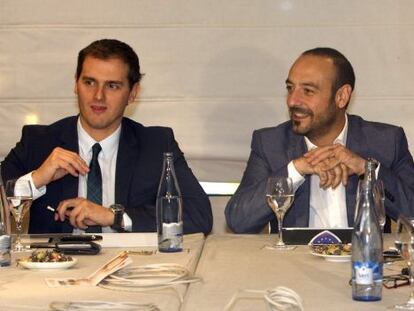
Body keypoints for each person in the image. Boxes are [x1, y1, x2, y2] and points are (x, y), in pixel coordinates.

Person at [2, 39, 212, 234]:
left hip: (130, 268)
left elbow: (199, 215)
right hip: (54, 270)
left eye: (112, 86)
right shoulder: (39, 141)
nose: (98, 96)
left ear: (133, 93)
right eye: (89, 83)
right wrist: (37, 179)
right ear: (76, 84)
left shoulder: (156, 144)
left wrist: (114, 216)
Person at [225, 47, 414, 233]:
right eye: (290, 88)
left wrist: (366, 169)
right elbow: (239, 220)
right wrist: (296, 170)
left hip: (361, 259)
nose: (292, 101)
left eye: (308, 91)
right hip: (295, 261)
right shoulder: (270, 144)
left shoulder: (386, 141)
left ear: (341, 97)